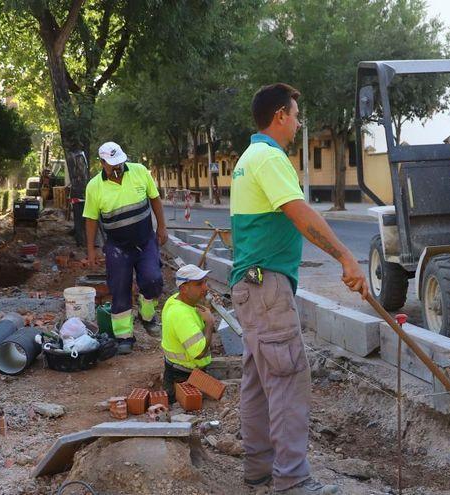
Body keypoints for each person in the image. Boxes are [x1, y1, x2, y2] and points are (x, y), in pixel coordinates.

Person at [229, 83, 367, 495]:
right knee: (288, 380)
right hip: (267, 288)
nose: (299, 123)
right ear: (280, 117)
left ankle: (259, 471)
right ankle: (291, 482)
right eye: (295, 114)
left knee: (258, 382)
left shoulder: (247, 158)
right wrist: (345, 256)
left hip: (250, 287)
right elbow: (299, 213)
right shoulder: (269, 157)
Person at [83, 141, 168, 354]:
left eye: (120, 161)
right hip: (117, 246)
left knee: (153, 279)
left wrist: (162, 227)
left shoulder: (139, 171)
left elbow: (155, 200)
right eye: (112, 163)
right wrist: (91, 249)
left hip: (145, 241)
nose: (118, 166)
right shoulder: (94, 186)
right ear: (102, 163)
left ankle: (147, 316)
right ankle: (124, 336)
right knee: (119, 288)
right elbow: (91, 220)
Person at [161, 264, 215, 396]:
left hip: (176, 368)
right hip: (184, 376)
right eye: (199, 284)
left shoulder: (176, 299)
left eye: (205, 282)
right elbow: (199, 353)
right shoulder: (181, 314)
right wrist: (209, 323)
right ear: (184, 288)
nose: (205, 287)